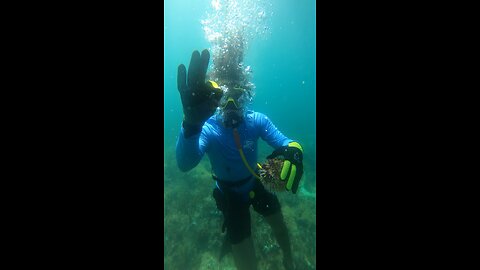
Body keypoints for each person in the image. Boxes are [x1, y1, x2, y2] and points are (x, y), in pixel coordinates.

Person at [175, 49, 304, 270]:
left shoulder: (256, 121)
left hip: (255, 180)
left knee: (280, 226)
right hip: (229, 194)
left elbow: (286, 142)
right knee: (247, 261)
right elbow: (185, 164)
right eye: (226, 98)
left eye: (238, 96)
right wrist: (191, 124)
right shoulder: (207, 128)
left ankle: (288, 261)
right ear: (217, 99)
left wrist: (295, 151)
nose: (232, 105)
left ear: (246, 95)